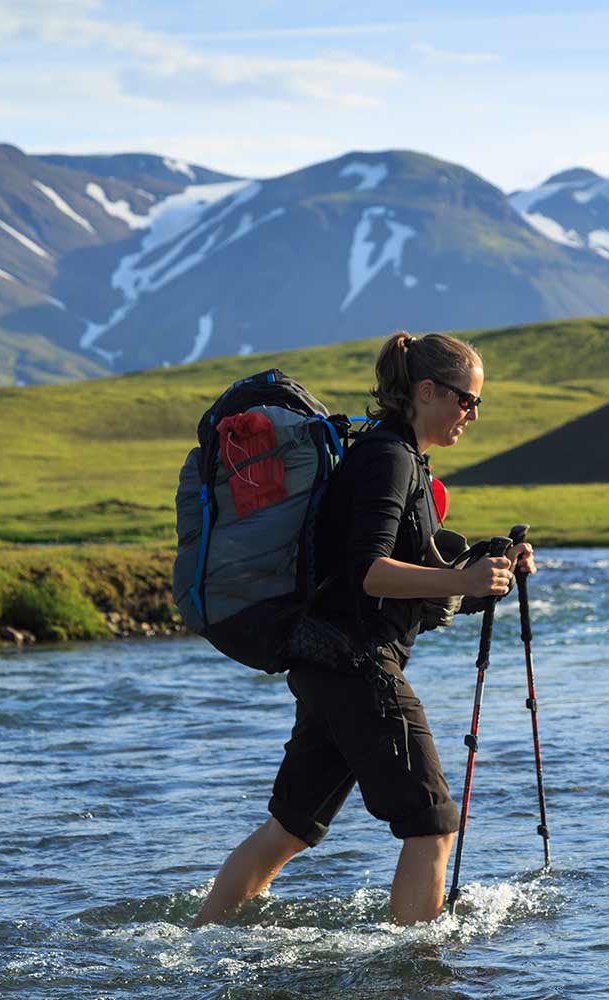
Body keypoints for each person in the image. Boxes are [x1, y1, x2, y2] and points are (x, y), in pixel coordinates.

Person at [193, 331, 536, 928]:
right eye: (465, 400)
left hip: (331, 663)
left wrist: (489, 569)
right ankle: (417, 969)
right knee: (432, 824)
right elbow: (371, 573)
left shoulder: (398, 456)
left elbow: (415, 592)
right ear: (425, 391)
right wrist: (469, 580)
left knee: (291, 828)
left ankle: (197, 941)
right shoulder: (389, 459)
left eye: (476, 403)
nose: (472, 415)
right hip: (356, 667)